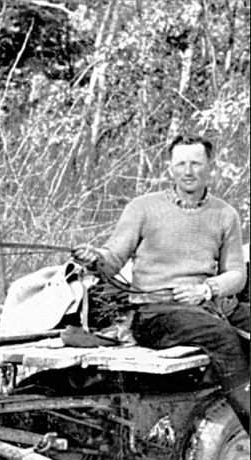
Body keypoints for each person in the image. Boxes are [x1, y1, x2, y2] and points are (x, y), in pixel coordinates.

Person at [73, 134, 249, 432]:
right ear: (170, 168)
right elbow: (112, 259)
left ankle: (230, 417)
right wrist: (94, 258)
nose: (188, 171)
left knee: (224, 325)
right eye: (181, 164)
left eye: (196, 163)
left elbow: (236, 275)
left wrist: (207, 289)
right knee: (221, 336)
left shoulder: (224, 214)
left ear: (211, 167)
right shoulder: (143, 208)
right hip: (157, 313)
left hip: (212, 306)